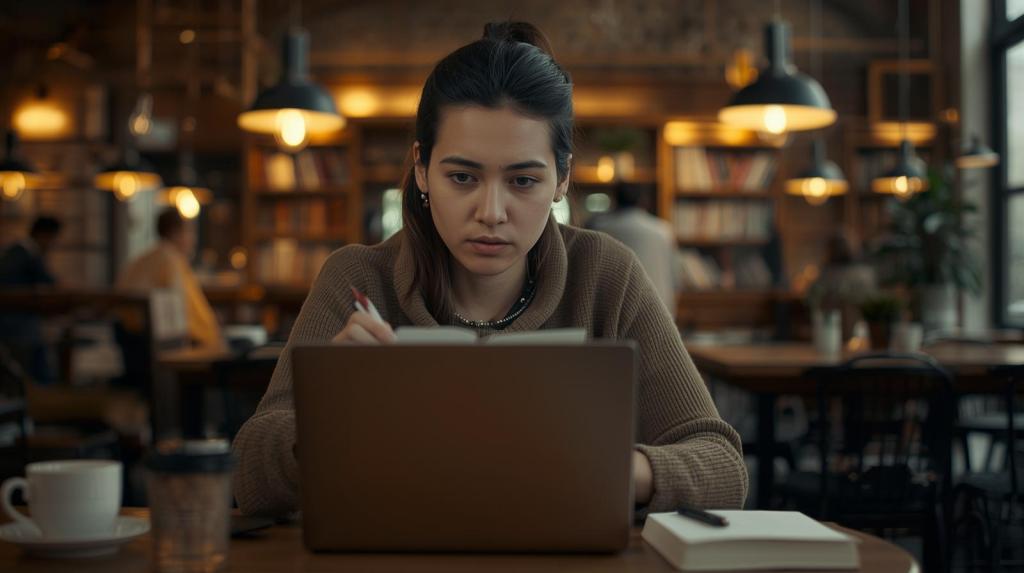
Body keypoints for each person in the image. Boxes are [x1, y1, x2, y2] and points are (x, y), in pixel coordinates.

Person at [232, 21, 747, 517]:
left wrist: (616, 468)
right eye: (462, 177)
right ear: (420, 169)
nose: (491, 212)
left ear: (563, 180)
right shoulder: (358, 278)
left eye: (523, 182)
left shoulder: (605, 274)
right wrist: (330, 414)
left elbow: (724, 467)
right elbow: (248, 474)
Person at [116, 208, 225, 352]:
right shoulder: (171, 260)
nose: (193, 239)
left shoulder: (143, 258)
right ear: (175, 233)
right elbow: (184, 310)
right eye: (190, 232)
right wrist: (211, 331)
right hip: (160, 342)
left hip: (130, 338)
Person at [587, 183, 678, 318]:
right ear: (643, 200)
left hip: (613, 313)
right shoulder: (663, 231)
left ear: (615, 200)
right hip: (660, 310)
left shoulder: (600, 229)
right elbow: (675, 278)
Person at [0, 216, 62, 382]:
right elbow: (50, 283)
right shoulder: (26, 254)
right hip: (17, 324)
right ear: (45, 235)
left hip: (15, 323)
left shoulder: (15, 251)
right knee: (33, 371)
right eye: (53, 239)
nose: (52, 245)